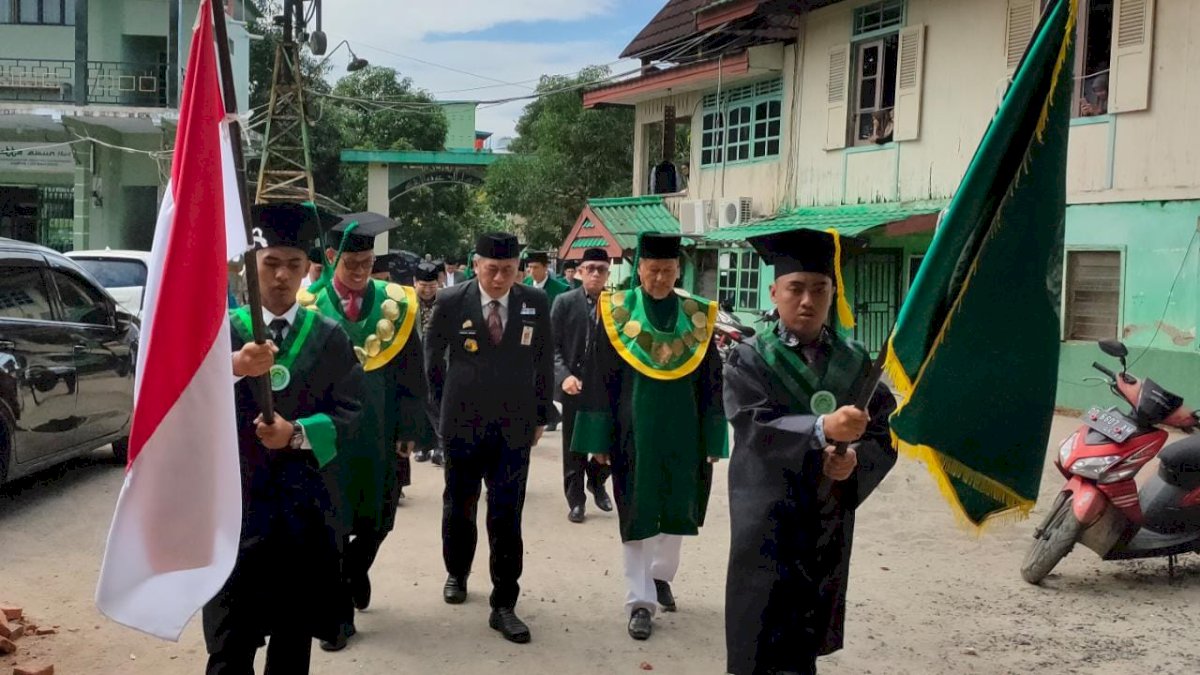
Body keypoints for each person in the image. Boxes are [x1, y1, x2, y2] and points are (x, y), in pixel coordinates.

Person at [723, 229, 897, 675]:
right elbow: (751, 424)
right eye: (796, 288)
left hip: (824, 518)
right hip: (766, 514)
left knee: (805, 638)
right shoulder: (750, 357)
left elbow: (884, 433)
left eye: (818, 289)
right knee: (757, 634)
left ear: (832, 294)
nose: (807, 300)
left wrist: (854, 458)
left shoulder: (857, 362)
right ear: (775, 292)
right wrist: (821, 428)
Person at [203, 203, 363, 675]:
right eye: (270, 263)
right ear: (251, 264)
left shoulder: (329, 337)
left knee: (292, 641)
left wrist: (296, 434)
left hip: (303, 511)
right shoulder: (220, 334)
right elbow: (181, 397)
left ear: (307, 269)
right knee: (231, 641)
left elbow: (350, 413)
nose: (280, 276)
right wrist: (231, 366)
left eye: (293, 265)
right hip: (236, 508)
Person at [573, 232, 727, 642]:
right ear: (639, 268)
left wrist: (714, 438)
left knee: (678, 510)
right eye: (652, 270)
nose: (659, 278)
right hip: (631, 432)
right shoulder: (617, 311)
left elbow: (713, 381)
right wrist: (597, 437)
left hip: (685, 432)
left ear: (678, 270)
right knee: (636, 514)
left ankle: (661, 577)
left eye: (667, 271)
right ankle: (639, 602)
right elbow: (598, 377)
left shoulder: (698, 315)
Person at [300, 212, 429, 653]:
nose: (359, 273)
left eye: (367, 263)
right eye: (351, 264)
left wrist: (411, 428)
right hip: (329, 437)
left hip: (381, 430)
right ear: (332, 257)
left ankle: (357, 570)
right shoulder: (309, 305)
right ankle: (337, 617)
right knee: (331, 524)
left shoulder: (398, 303)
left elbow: (413, 371)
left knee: (380, 519)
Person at [425, 232, 553, 645]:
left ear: (519, 269)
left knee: (506, 514)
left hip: (513, 428)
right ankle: (457, 571)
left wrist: (540, 415)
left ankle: (504, 603)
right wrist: (440, 412)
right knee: (459, 505)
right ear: (476, 264)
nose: (499, 278)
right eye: (492, 269)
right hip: (462, 422)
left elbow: (543, 361)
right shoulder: (451, 301)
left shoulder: (535, 303)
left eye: (508, 270)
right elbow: (432, 361)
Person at [551, 247, 614, 524]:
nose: (596, 274)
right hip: (574, 382)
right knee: (574, 446)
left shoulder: (617, 304)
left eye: (601, 269)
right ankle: (576, 500)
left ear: (608, 274)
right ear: (579, 272)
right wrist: (563, 375)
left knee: (611, 442)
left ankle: (597, 480)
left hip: (606, 385)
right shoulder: (564, 302)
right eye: (590, 268)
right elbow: (550, 346)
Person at [412, 261, 445, 466]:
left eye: (432, 286)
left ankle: (441, 446)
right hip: (414, 357)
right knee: (419, 402)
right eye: (423, 285)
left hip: (440, 359)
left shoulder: (447, 300)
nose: (427, 290)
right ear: (414, 282)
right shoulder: (407, 302)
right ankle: (423, 446)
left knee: (437, 402)